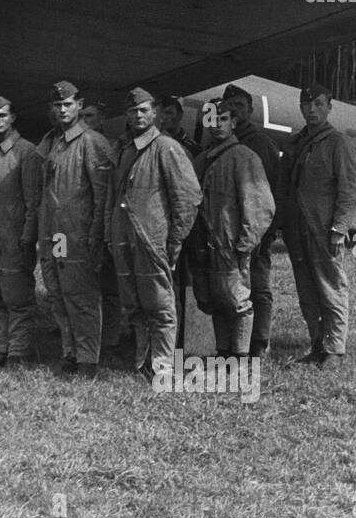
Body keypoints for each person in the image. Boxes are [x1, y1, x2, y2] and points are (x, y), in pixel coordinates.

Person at [108, 88, 201, 379]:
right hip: (125, 238)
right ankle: (142, 360)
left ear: (156, 113)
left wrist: (174, 241)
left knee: (160, 306)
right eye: (133, 111)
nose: (138, 116)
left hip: (153, 241)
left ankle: (162, 366)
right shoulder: (125, 149)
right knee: (134, 304)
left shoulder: (166, 148)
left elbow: (188, 198)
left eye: (144, 110)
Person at [278, 83, 356, 369]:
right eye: (306, 104)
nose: (311, 110)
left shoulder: (337, 142)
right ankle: (317, 345)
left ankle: (334, 350)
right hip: (297, 229)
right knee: (306, 290)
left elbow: (352, 188)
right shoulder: (298, 142)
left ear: (329, 107)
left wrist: (339, 228)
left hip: (323, 230)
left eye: (318, 104)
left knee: (331, 288)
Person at [37, 81, 113, 377]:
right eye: (57, 105)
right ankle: (69, 352)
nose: (63, 109)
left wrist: (96, 236)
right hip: (55, 234)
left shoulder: (93, 143)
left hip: (78, 235)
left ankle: (88, 359)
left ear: (79, 105)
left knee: (81, 297)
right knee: (58, 293)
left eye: (68, 104)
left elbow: (102, 195)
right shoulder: (54, 141)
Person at [191, 99, 275, 356]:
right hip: (207, 245)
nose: (217, 125)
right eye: (212, 119)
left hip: (231, 245)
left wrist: (246, 243)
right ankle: (223, 352)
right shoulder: (203, 159)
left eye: (223, 119)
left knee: (237, 302)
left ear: (234, 122)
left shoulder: (244, 157)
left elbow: (262, 205)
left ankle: (239, 357)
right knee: (215, 301)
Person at [0, 94, 41, 367]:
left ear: (12, 118)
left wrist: (27, 235)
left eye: (3, 115)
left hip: (13, 237)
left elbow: (32, 200)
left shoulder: (26, 152)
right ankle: (2, 347)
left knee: (17, 297)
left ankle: (18, 351)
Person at [223, 84, 281, 356]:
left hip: (256, 229)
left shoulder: (260, 144)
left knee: (258, 285)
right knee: (234, 287)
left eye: (240, 106)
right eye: (229, 106)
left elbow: (271, 192)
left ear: (250, 110)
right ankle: (237, 342)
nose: (235, 110)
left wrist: (264, 232)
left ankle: (259, 341)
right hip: (229, 229)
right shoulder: (222, 142)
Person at [78, 97, 124, 357]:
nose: (86, 122)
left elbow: (105, 190)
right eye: (83, 117)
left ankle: (110, 335)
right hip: (84, 224)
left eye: (91, 117)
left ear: (102, 120)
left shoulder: (104, 146)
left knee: (108, 285)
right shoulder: (83, 144)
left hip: (102, 223)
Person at [157, 95, 199, 350]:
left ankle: (188, 343)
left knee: (187, 285)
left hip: (182, 228)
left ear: (179, 116)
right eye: (162, 113)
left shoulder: (188, 148)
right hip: (160, 227)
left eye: (170, 113)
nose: (165, 118)